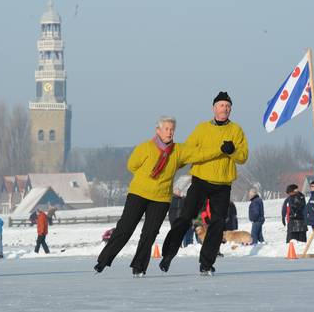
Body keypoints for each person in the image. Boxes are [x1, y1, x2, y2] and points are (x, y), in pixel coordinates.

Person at [94, 116, 224, 276]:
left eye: (172, 129)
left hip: (160, 199)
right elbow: (132, 165)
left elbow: (200, 153)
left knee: (149, 234)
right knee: (125, 228)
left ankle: (139, 267)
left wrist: (221, 149)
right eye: (166, 129)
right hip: (138, 194)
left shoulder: (178, 151)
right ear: (158, 130)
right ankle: (103, 261)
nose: (169, 132)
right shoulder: (145, 147)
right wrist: (145, 178)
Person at [160, 92, 248, 276]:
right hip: (200, 181)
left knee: (217, 224)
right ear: (214, 108)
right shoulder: (201, 129)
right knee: (185, 217)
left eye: (228, 106)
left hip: (223, 184)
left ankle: (206, 263)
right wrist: (172, 164)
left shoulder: (236, 130)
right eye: (221, 105)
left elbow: (243, 157)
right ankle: (168, 254)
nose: (225, 108)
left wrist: (231, 151)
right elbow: (188, 151)